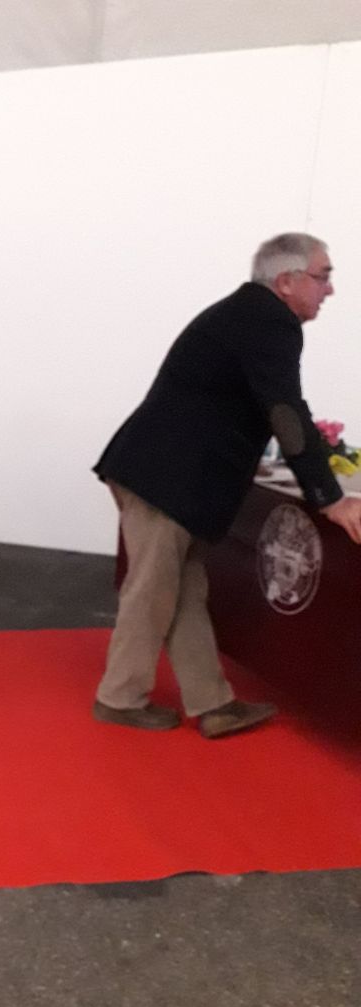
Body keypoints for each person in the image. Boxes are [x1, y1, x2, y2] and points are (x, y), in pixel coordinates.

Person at [92, 232, 361, 739]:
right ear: (286, 281)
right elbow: (284, 410)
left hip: (166, 475)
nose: (330, 290)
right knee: (153, 592)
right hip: (165, 479)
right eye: (323, 276)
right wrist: (330, 498)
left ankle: (212, 703)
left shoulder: (251, 314)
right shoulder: (267, 321)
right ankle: (119, 699)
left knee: (186, 591)